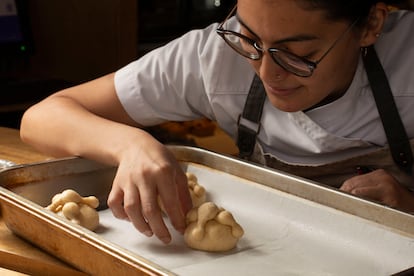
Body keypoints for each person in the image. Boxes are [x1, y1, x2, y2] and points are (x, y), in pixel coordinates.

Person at [20, 0, 414, 244]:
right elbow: (42, 117)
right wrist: (132, 144)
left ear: (370, 26)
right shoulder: (214, 58)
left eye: (298, 54)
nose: (266, 73)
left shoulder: (408, 62)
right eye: (251, 38)